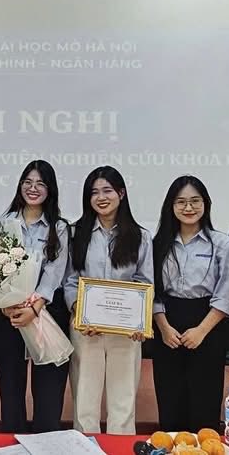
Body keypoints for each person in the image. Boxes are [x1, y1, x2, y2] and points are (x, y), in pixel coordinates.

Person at [64, 166, 152, 435]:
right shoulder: (75, 233)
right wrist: (79, 311)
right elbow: (70, 280)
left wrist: (138, 321)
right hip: (86, 329)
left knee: (123, 403)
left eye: (107, 191)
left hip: (125, 332)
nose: (101, 198)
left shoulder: (140, 236)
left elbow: (144, 282)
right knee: (84, 402)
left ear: (121, 194)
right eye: (94, 193)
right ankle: (84, 449)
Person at [151, 175, 229, 433]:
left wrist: (201, 331)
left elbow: (227, 292)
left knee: (205, 398)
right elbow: (152, 289)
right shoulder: (157, 244)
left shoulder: (223, 244)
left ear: (205, 204)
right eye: (181, 202)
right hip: (167, 323)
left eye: (195, 201)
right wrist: (164, 327)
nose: (188, 208)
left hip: (209, 323)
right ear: (171, 206)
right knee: (170, 396)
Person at [0, 160, 71, 433]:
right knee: (10, 388)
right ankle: (11, 442)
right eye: (27, 182)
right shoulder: (3, 223)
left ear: (50, 189)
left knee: (48, 388)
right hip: (9, 314)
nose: (33, 188)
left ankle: (45, 442)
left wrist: (35, 307)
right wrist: (4, 304)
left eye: (40, 183)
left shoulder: (59, 228)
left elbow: (54, 272)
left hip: (45, 314)